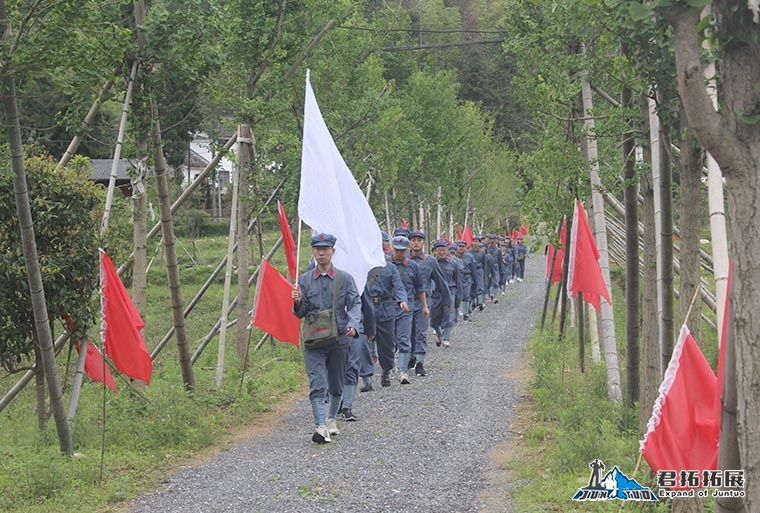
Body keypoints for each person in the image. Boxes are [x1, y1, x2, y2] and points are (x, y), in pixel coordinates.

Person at [292, 233, 362, 444]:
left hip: (339, 338)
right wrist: (297, 301)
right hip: (313, 340)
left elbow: (355, 303)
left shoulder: (344, 278)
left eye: (325, 249)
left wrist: (352, 324)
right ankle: (320, 425)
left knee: (336, 382)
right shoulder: (303, 280)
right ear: (313, 252)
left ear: (333, 251)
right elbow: (300, 312)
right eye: (317, 249)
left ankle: (332, 418)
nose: (321, 252)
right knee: (317, 382)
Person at [365, 243, 408, 388]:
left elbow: (398, 286)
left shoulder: (390, 268)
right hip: (366, 309)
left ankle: (386, 371)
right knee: (363, 344)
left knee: (387, 345)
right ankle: (367, 378)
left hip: (385, 309)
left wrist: (402, 300)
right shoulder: (363, 266)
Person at [408, 230, 450, 376]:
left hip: (423, 302)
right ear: (409, 243)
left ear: (423, 243)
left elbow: (440, 281)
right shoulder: (403, 260)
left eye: (419, 240)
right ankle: (411, 355)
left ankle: (420, 362)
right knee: (409, 333)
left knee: (420, 332)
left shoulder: (430, 261)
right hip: (405, 302)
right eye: (413, 240)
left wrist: (448, 300)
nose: (416, 243)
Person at [388, 235, 425, 384]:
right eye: (397, 250)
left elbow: (419, 288)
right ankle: (389, 368)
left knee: (404, 338)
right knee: (389, 340)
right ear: (392, 248)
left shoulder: (413, 266)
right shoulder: (384, 264)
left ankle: (403, 371)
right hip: (387, 306)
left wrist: (424, 306)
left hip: (406, 307)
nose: (399, 253)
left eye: (402, 250)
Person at [340, 290, 375, 420]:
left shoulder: (356, 277)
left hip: (354, 328)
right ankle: (338, 401)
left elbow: (367, 305)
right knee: (334, 367)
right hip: (330, 329)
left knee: (352, 365)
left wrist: (370, 329)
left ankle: (346, 406)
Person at [430, 239, 461, 348]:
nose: (442, 252)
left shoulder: (453, 263)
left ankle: (446, 339)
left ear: (448, 250)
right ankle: (439, 334)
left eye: (444, 250)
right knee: (433, 319)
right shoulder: (432, 263)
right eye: (439, 250)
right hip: (436, 293)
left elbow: (458, 280)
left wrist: (458, 297)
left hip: (450, 292)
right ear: (435, 251)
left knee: (448, 315)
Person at [455, 240, 476, 321]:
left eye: (462, 247)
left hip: (467, 278)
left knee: (466, 296)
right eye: (459, 246)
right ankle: (457, 313)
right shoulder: (453, 256)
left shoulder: (469, 256)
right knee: (457, 296)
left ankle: (466, 313)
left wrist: (475, 280)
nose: (461, 248)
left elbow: (473, 269)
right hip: (457, 279)